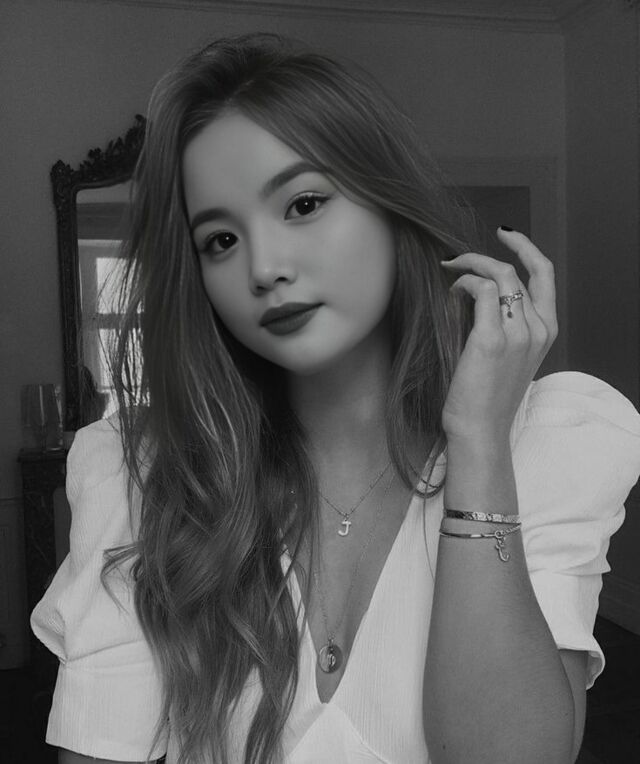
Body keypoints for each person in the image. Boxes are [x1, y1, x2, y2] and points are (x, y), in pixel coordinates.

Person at [31, 32, 640, 764]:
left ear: (390, 204)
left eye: (304, 203)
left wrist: (478, 440)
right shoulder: (146, 471)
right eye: (219, 240)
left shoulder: (546, 441)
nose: (264, 267)